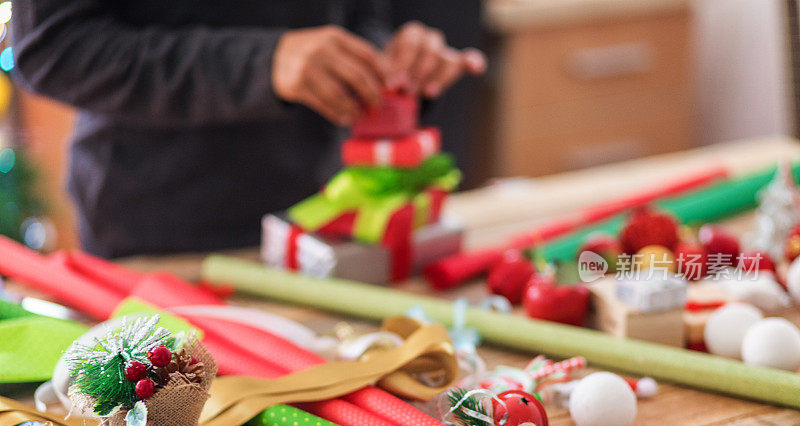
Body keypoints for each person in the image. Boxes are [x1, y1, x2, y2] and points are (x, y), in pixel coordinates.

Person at [10, 1, 485, 258]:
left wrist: (385, 59)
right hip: (158, 239)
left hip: (317, 223)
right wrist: (264, 63)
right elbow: (49, 47)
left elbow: (349, 16)